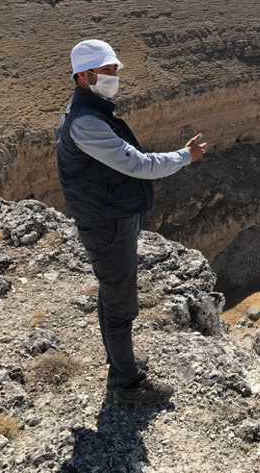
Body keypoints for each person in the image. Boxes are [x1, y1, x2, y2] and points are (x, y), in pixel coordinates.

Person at [56, 39, 206, 405]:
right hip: (107, 223)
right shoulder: (87, 122)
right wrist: (186, 156)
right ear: (83, 75)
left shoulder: (91, 111)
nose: (114, 76)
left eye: (114, 69)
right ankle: (129, 384)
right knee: (122, 304)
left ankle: (118, 364)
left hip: (111, 216)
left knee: (111, 295)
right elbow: (136, 164)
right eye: (107, 70)